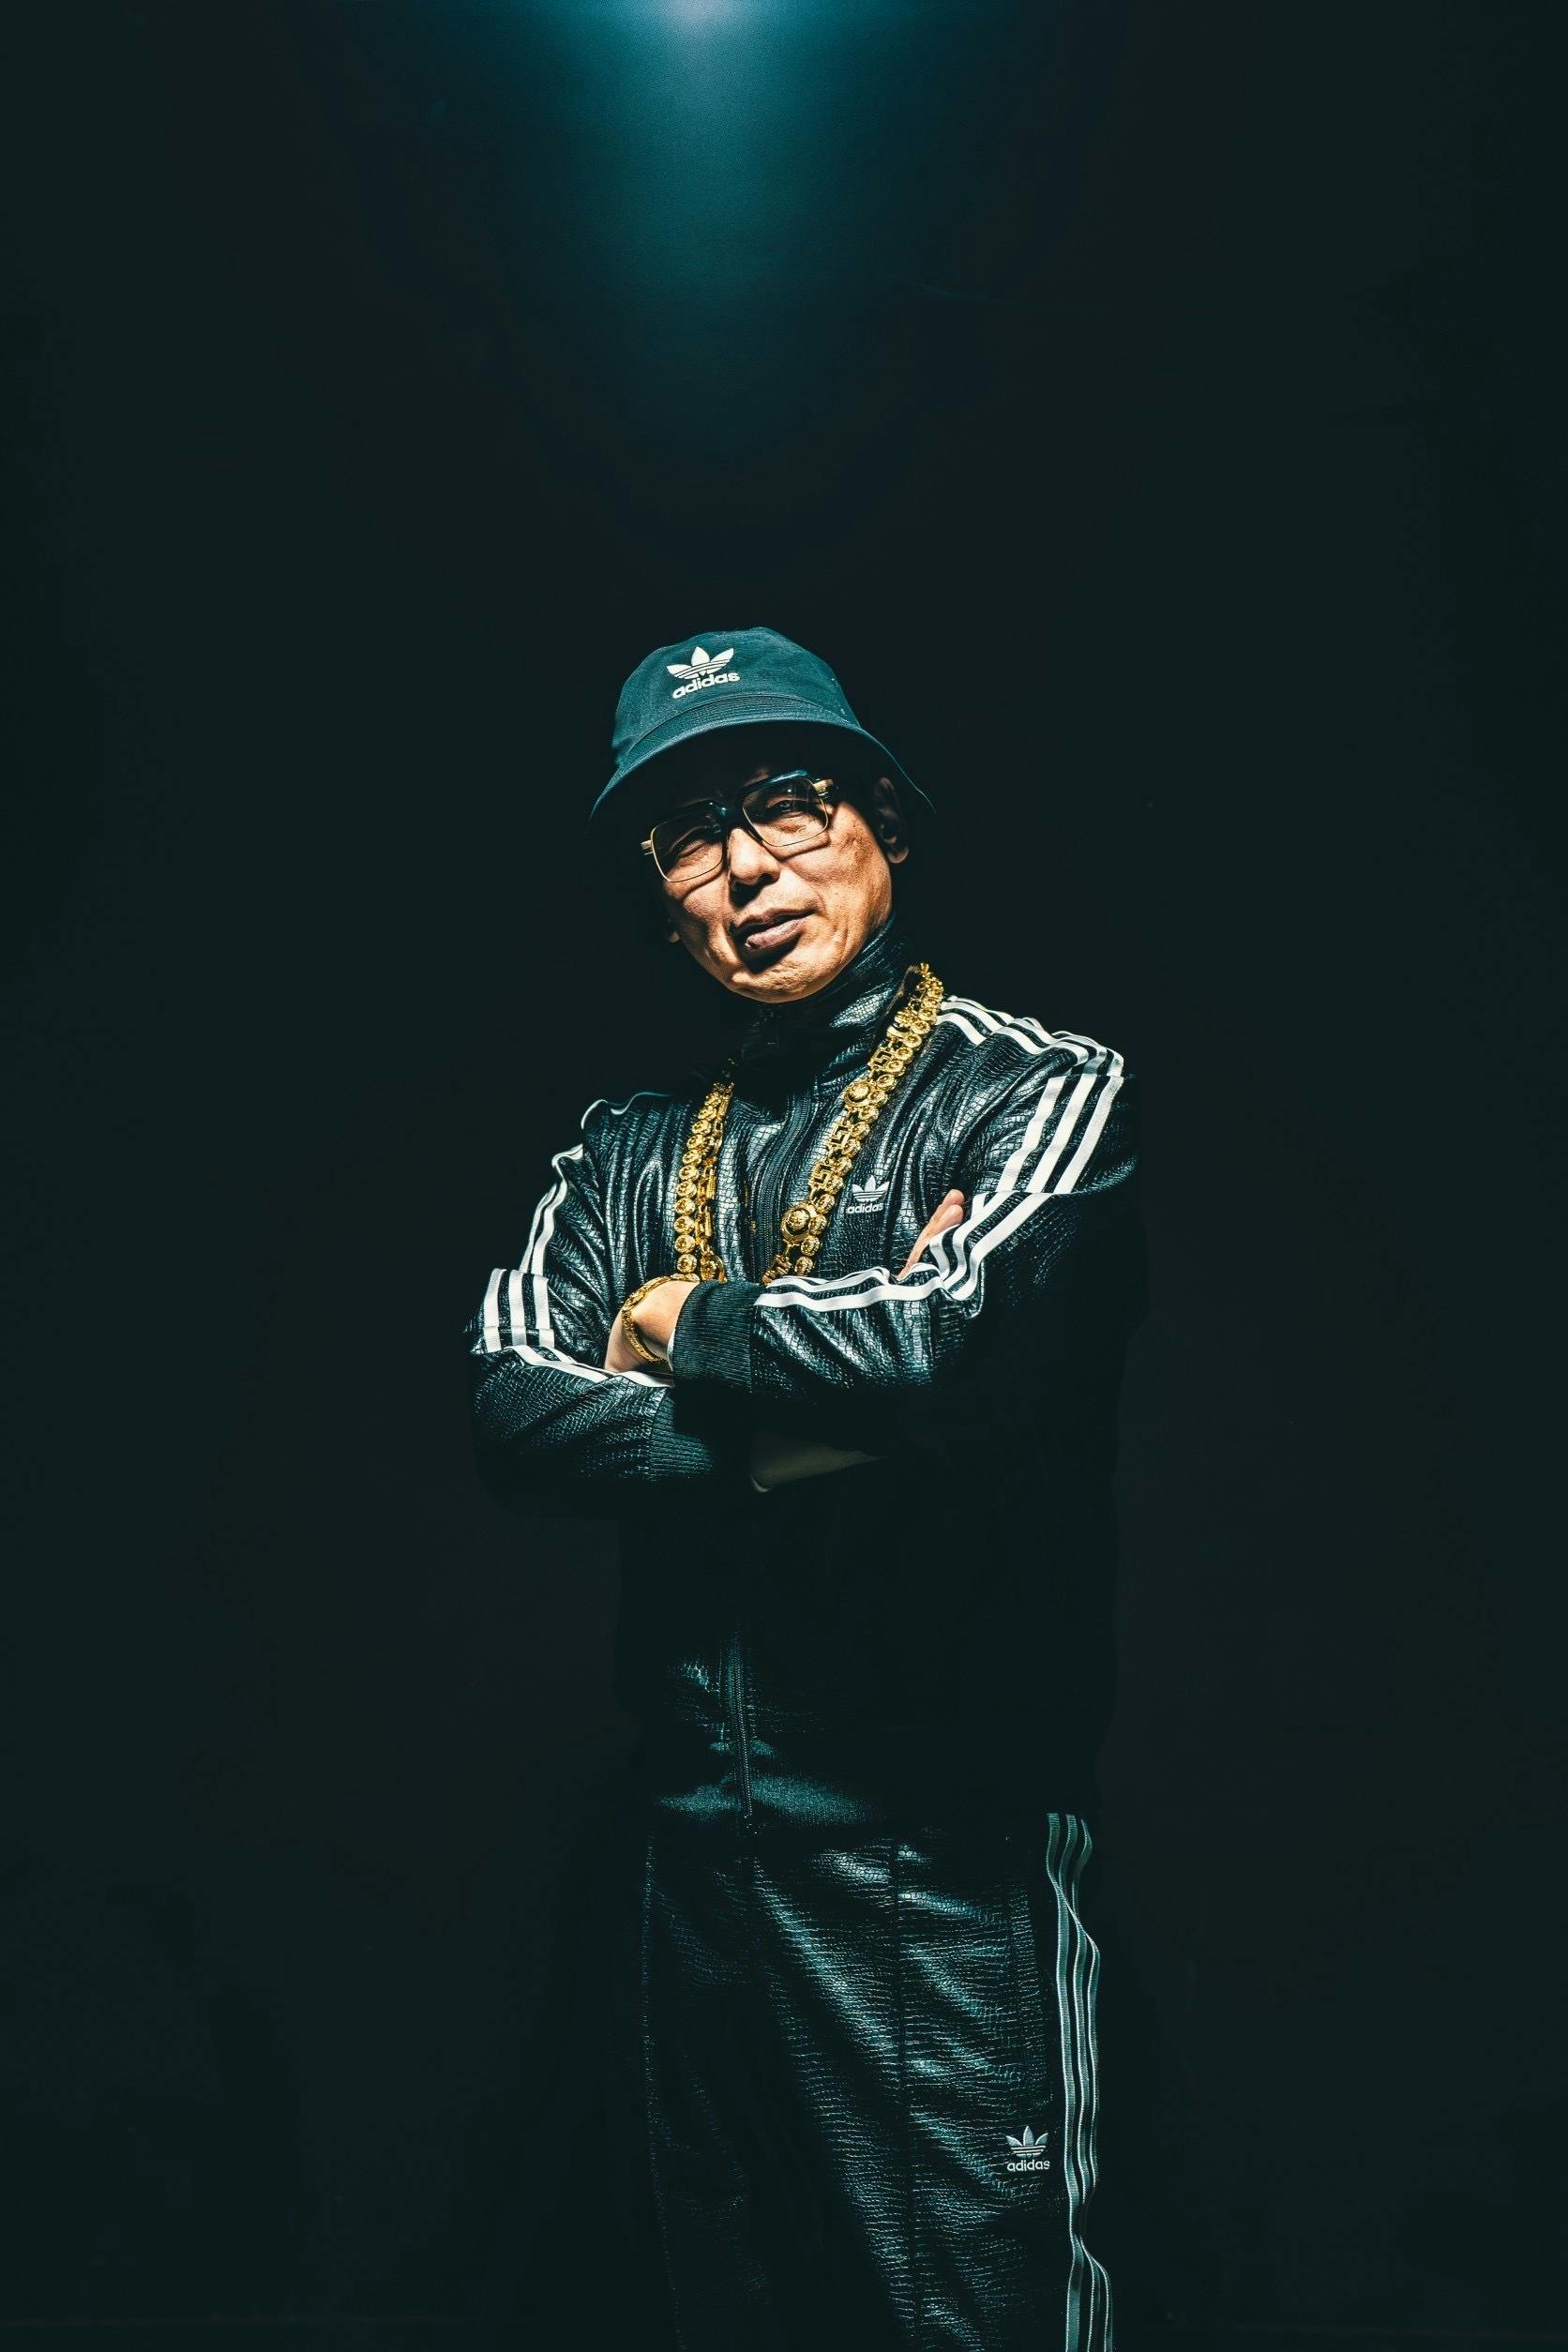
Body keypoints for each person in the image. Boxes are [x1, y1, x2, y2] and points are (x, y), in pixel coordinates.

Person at [463, 625, 1149, 2352]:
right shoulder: (621, 1147)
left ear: (884, 824)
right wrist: (838, 1419)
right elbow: (516, 1415)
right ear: (661, 900)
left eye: (788, 803)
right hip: (691, 1864)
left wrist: (681, 1323)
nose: (749, 867)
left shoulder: (1037, 1091)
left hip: (946, 1861)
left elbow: (952, 1351)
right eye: (691, 837)